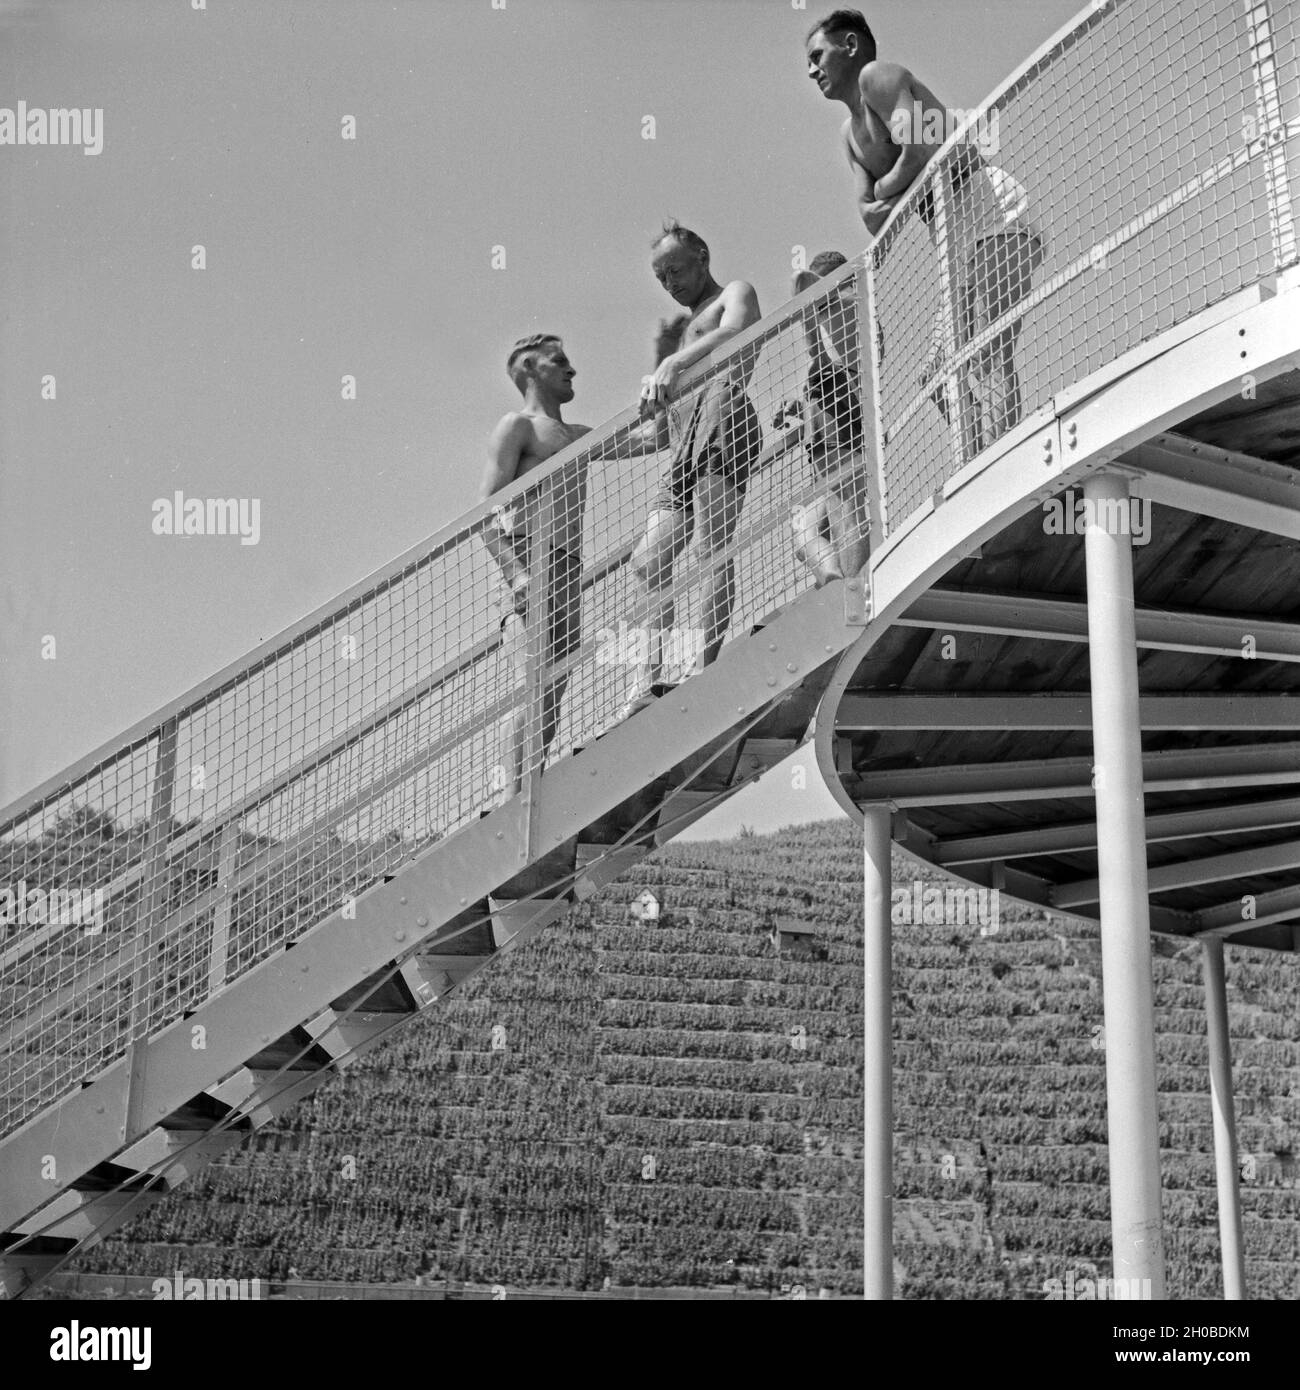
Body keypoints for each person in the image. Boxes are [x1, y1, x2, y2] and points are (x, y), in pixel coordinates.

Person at [804, 8, 1044, 454]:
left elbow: (921, 148)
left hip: (992, 212)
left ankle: (1008, 457)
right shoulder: (849, 135)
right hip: (953, 242)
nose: (811, 69)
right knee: (936, 376)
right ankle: (980, 457)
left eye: (818, 55)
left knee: (990, 351)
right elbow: (872, 222)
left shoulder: (877, 76)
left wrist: (887, 185)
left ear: (850, 46)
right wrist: (904, 181)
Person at [619, 221, 762, 720]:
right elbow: (657, 433)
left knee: (710, 550)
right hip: (681, 442)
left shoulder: (733, 293)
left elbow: (736, 331)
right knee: (646, 560)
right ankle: (649, 676)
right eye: (661, 278)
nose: (671, 283)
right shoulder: (681, 333)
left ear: (702, 255)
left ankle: (704, 666)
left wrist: (672, 362)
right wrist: (592, 450)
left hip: (722, 415)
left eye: (675, 270)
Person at [479, 335, 591, 796]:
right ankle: (511, 798)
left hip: (569, 570)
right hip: (529, 559)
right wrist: (516, 572)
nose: (572, 370)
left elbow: (654, 436)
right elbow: (484, 512)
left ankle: (531, 791)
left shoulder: (581, 435)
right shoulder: (517, 426)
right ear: (529, 367)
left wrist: (666, 358)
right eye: (559, 361)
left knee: (555, 688)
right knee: (531, 685)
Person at [773, 251, 870, 586]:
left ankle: (853, 587)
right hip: (828, 423)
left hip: (840, 422)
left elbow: (800, 281)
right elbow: (835, 366)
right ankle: (832, 578)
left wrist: (811, 290)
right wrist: (800, 408)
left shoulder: (848, 306)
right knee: (804, 532)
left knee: (846, 506)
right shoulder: (840, 316)